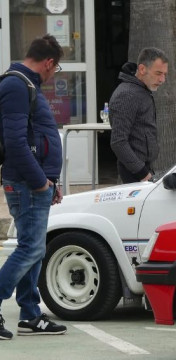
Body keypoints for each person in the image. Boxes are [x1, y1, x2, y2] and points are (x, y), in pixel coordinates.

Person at [0, 34, 66, 340]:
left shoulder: (27, 85)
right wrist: (41, 182)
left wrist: (50, 181)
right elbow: (14, 142)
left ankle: (30, 314)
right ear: (49, 63)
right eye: (56, 68)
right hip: (27, 183)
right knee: (30, 248)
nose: (54, 75)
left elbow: (34, 137)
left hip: (37, 182)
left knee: (34, 251)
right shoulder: (16, 85)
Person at [109, 47, 168, 184]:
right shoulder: (128, 94)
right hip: (135, 173)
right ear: (142, 69)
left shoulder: (142, 90)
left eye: (165, 74)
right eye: (158, 73)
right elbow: (118, 141)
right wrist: (143, 174)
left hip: (144, 169)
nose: (162, 79)